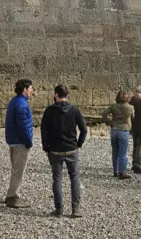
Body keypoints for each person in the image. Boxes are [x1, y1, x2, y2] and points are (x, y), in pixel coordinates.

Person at [41, 85, 88, 218]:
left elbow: (44, 130)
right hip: (71, 149)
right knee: (74, 177)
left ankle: (59, 209)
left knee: (57, 178)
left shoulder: (49, 111)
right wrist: (79, 144)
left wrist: (46, 146)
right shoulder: (74, 110)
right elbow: (84, 129)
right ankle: (75, 208)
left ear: (56, 95)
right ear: (68, 96)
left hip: (55, 150)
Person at [4, 79, 34, 208]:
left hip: (13, 141)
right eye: (31, 89)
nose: (32, 91)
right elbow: (23, 126)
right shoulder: (21, 105)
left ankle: (11, 194)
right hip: (20, 143)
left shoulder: (14, 101)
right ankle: (12, 197)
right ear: (25, 90)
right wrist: (28, 142)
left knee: (15, 169)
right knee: (18, 171)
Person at [102, 90, 135, 180]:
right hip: (124, 130)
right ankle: (122, 172)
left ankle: (115, 171)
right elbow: (133, 117)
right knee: (123, 153)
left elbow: (104, 113)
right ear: (127, 98)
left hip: (114, 129)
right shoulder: (131, 107)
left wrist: (108, 122)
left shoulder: (113, 106)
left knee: (115, 151)